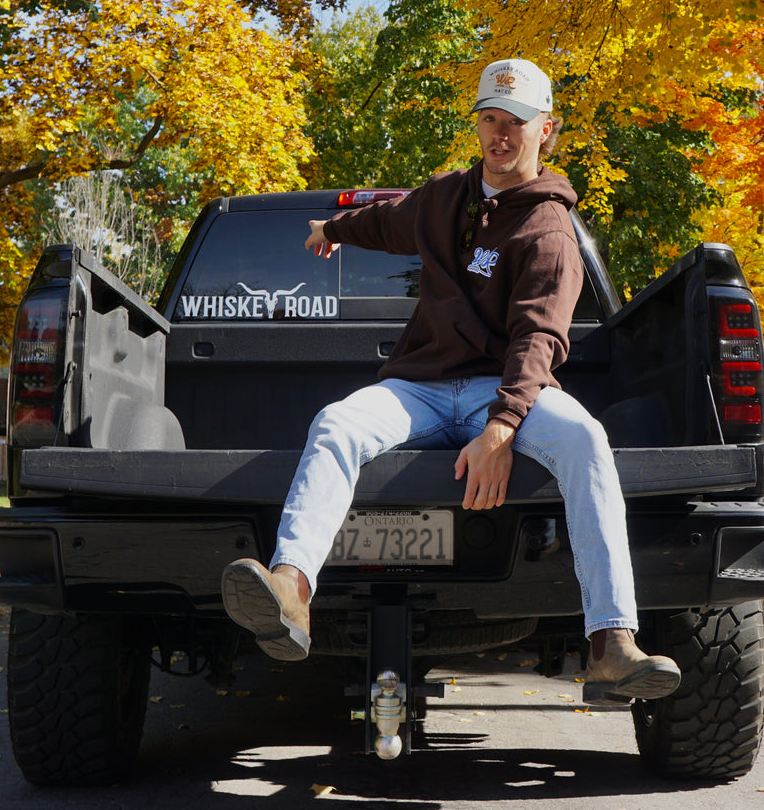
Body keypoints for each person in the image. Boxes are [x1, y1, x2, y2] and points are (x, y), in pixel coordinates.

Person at [220, 58, 680, 702]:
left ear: (545, 130)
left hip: (507, 389)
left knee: (585, 440)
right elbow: (390, 220)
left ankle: (611, 642)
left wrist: (502, 427)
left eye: (516, 123)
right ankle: (290, 592)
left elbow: (540, 337)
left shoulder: (549, 230)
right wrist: (333, 230)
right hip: (423, 387)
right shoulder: (447, 196)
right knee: (336, 423)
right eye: (490, 119)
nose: (501, 135)